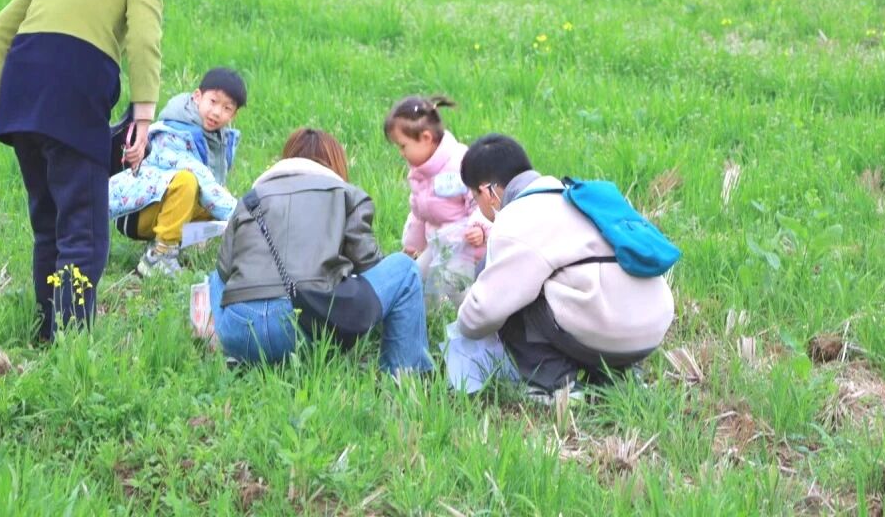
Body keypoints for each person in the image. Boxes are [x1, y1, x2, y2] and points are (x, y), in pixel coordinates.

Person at [0, 0, 168, 341]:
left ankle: (47, 333)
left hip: (23, 88)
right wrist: (143, 113)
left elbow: (3, 26)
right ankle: (72, 346)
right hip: (74, 88)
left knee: (49, 224)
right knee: (85, 232)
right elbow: (143, 37)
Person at [456, 134, 675, 401]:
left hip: (607, 329)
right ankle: (621, 376)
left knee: (512, 294)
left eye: (474, 197)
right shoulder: (578, 196)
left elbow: (485, 309)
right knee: (568, 281)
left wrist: (461, 325)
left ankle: (556, 386)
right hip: (652, 326)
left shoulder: (517, 218)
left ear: (489, 191)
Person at [210, 128, 432, 375]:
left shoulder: (249, 200)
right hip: (300, 328)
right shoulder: (348, 195)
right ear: (336, 162)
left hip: (239, 330)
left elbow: (223, 272)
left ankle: (228, 348)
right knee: (403, 269)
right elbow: (369, 264)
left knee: (215, 276)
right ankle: (406, 375)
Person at [109, 67, 246, 277]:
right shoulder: (173, 131)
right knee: (187, 181)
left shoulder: (218, 138)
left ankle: (171, 244)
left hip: (163, 209)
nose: (217, 112)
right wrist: (245, 218)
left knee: (216, 192)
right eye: (213, 102)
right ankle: (159, 256)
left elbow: (214, 188)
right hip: (138, 213)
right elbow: (202, 180)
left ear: (234, 114)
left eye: (227, 108)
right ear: (197, 96)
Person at [383, 95, 489, 308]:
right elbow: (418, 213)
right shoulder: (419, 173)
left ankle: (479, 325)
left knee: (457, 287)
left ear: (426, 138)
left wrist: (480, 228)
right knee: (416, 277)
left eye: (403, 146)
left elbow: (480, 201)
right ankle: (427, 321)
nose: (401, 153)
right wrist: (412, 245)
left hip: (464, 245)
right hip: (438, 243)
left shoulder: (460, 163)